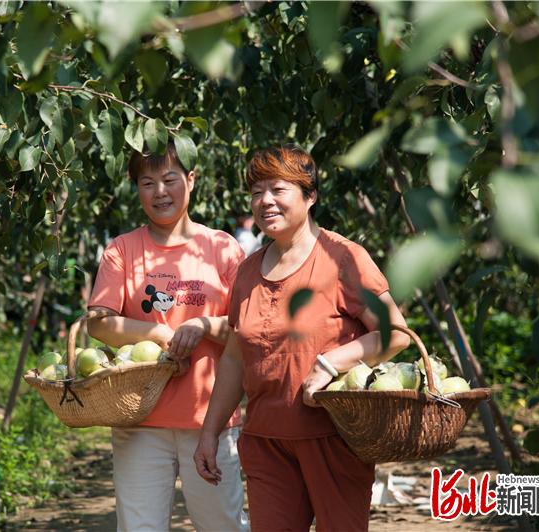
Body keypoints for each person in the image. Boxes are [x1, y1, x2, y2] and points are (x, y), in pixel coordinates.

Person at [193, 145, 411, 531]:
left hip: (333, 439)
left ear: (310, 196)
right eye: (256, 191)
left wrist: (331, 364)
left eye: (278, 189)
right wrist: (209, 433)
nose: (265, 201)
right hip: (266, 443)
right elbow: (233, 358)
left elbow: (394, 335)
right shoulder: (246, 272)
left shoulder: (343, 258)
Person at [87, 142, 249, 532]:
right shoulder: (123, 251)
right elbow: (99, 322)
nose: (160, 191)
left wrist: (204, 326)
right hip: (140, 419)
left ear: (190, 181)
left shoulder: (222, 249)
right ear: (137, 189)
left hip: (211, 419)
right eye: (147, 182)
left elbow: (248, 330)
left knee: (223, 525)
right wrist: (159, 333)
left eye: (169, 179)